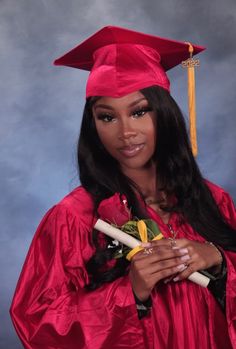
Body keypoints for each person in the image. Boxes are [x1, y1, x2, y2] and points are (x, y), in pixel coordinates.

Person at [10, 26, 236, 349]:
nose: (125, 132)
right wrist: (128, 293)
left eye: (139, 111)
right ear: (93, 124)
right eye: (107, 117)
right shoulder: (73, 218)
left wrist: (219, 260)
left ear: (165, 114)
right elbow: (36, 322)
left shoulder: (214, 200)